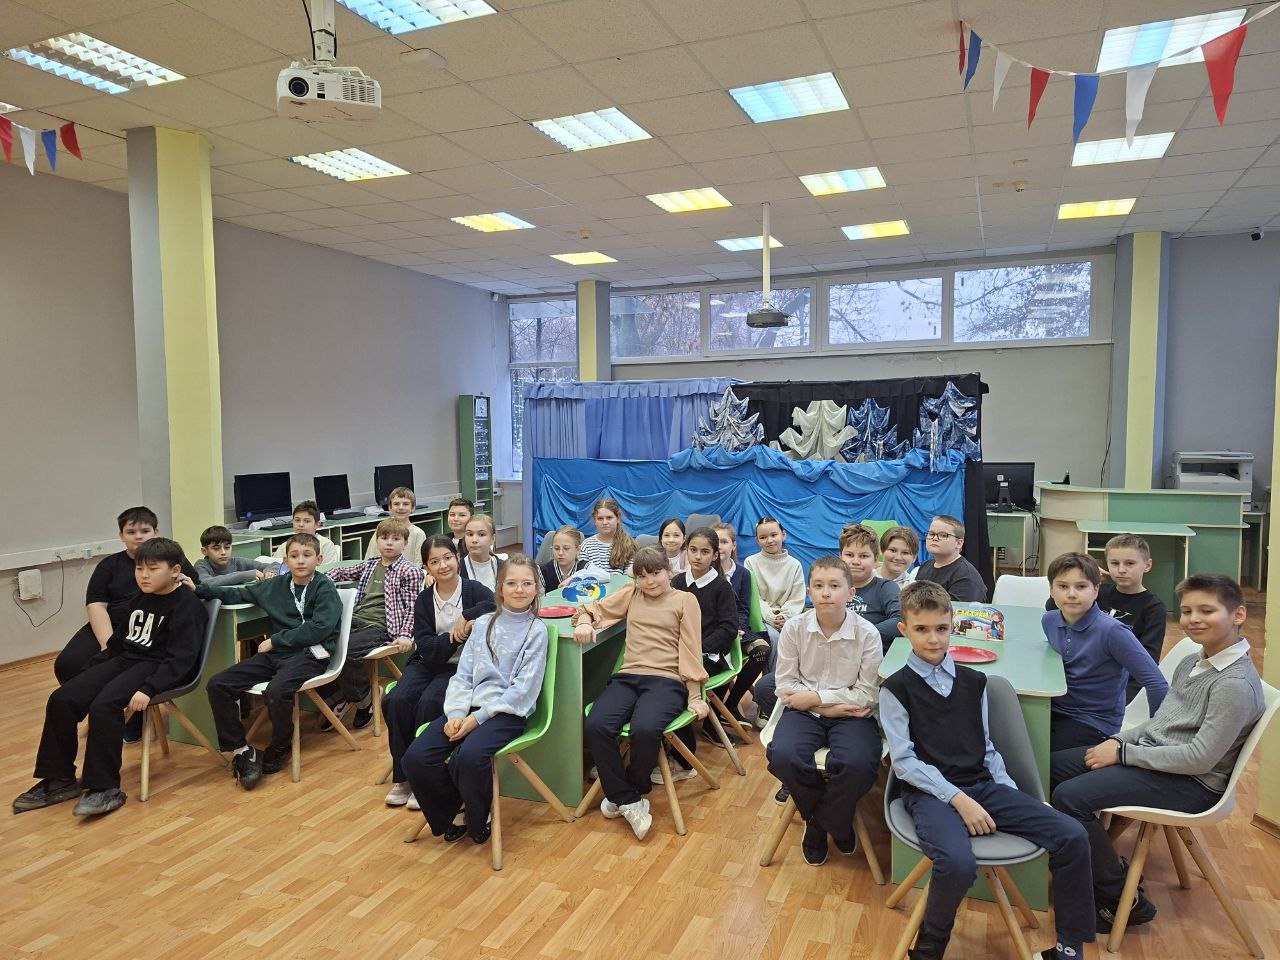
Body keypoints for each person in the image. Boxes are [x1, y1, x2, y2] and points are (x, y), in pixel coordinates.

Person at [880, 580, 1095, 960]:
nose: (933, 638)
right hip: (928, 795)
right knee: (957, 863)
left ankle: (1068, 949)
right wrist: (959, 799)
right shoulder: (895, 689)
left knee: (1072, 834)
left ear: (953, 625)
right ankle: (928, 951)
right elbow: (905, 763)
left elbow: (987, 748)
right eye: (921, 629)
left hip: (981, 785)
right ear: (904, 629)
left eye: (941, 628)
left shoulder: (974, 682)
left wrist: (1016, 796)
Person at [1052, 574, 1265, 935]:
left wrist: (1123, 754)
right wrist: (1118, 741)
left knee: (1069, 797)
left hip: (1193, 783)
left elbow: (1199, 759)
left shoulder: (1233, 684)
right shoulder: (1194, 661)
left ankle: (1119, 895)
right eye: (1187, 611)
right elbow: (1161, 722)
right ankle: (1083, 861)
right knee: (1051, 767)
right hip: (1157, 758)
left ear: (1239, 615)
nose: (1194, 619)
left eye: (1207, 611)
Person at [14, 539, 207, 817]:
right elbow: (119, 642)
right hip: (125, 659)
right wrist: (93, 670)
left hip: (155, 667)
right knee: (63, 698)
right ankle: (59, 779)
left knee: (104, 705)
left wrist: (149, 688)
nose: (144, 575)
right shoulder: (140, 598)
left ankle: (104, 787)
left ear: (176, 570)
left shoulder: (187, 605)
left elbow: (181, 660)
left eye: (153, 569)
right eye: (139, 568)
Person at [402, 555, 548, 845]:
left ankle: (479, 819)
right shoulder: (482, 624)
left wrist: (476, 720)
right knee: (416, 758)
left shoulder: (537, 631)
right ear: (500, 588)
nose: (519, 590)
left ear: (536, 589)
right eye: (512, 583)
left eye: (527, 583)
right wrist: (456, 713)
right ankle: (457, 809)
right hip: (468, 706)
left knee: (468, 757)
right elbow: (463, 675)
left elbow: (522, 691)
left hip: (507, 712)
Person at [574, 546, 708, 841]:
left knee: (646, 729)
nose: (649, 582)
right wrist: (584, 620)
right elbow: (594, 608)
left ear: (669, 571)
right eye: (642, 576)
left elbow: (691, 648)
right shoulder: (632, 593)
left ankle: (630, 790)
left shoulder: (685, 600)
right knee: (596, 725)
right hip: (628, 676)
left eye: (656, 573)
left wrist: (695, 695)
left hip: (666, 680)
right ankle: (629, 801)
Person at [198, 533, 342, 790]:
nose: (300, 561)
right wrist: (198, 589)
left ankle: (281, 745)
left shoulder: (324, 587)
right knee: (218, 684)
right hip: (277, 655)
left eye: (307, 555)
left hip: (310, 654)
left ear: (319, 559)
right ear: (285, 560)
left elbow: (320, 628)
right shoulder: (275, 585)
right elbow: (238, 595)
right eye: (294, 556)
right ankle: (241, 749)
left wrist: (276, 640)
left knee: (277, 690)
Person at [767, 556, 883, 866]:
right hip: (806, 712)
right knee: (784, 755)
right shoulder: (794, 628)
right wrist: (824, 706)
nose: (826, 592)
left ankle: (824, 821)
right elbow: (785, 686)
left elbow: (867, 694)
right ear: (809, 592)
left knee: (858, 763)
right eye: (818, 586)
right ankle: (831, 822)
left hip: (852, 714)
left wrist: (816, 697)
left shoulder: (868, 633)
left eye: (834, 585)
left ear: (851, 593)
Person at [383, 536, 494, 808]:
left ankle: (426, 777)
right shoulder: (424, 600)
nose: (443, 565)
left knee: (430, 701)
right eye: (434, 561)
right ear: (426, 567)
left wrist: (467, 615)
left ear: (457, 558)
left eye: (447, 558)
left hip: (459, 667)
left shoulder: (474, 589)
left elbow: (494, 605)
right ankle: (403, 777)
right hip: (427, 661)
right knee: (396, 699)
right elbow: (428, 648)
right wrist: (454, 637)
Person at [1043, 552, 1168, 784]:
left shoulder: (1113, 631)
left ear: (1096, 590)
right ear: (1051, 590)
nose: (1071, 594)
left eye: (1081, 586)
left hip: (1093, 723)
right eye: (1063, 586)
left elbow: (1156, 683)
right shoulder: (1049, 621)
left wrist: (1155, 739)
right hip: (1054, 710)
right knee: (1010, 749)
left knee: (1037, 765)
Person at [55, 506, 199, 686]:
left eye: (145, 531)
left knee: (128, 669)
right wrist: (108, 645)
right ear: (121, 536)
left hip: (151, 628)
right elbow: (96, 605)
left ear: (155, 532)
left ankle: (126, 700)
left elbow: (192, 588)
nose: (138, 537)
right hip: (114, 626)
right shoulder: (108, 565)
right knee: (68, 664)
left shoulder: (172, 561)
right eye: (131, 532)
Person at [321, 518, 424, 731]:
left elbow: (413, 607)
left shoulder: (409, 571)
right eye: (384, 538)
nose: (389, 543)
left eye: (396, 539)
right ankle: (341, 696)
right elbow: (340, 572)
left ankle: (364, 700)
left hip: (382, 626)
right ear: (377, 541)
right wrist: (322, 580)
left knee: (347, 650)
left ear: (405, 543)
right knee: (318, 644)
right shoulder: (370, 564)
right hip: (356, 619)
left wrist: (406, 634)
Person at [1048, 534, 1167, 703]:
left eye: (1129, 563)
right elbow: (1055, 610)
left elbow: (1149, 660)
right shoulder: (1098, 592)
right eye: (1114, 563)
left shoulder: (1154, 608)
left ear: (1147, 565)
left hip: (1118, 688)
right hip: (1084, 675)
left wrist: (1122, 699)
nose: (1121, 570)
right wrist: (1088, 580)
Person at [670, 527, 738, 763]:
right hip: (678, 654)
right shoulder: (677, 582)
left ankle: (683, 759)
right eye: (693, 550)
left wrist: (695, 650)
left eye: (705, 552)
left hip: (710, 656)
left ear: (715, 555)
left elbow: (728, 629)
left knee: (675, 687)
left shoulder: (722, 587)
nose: (698, 556)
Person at [743, 516, 806, 727]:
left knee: (793, 638)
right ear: (757, 540)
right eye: (763, 537)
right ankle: (767, 701)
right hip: (761, 619)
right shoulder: (751, 562)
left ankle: (786, 696)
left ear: (783, 535)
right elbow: (754, 597)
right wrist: (772, 617)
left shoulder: (794, 565)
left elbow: (797, 598)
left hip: (789, 618)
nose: (769, 540)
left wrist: (785, 616)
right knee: (774, 639)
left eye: (773, 535)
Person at [714, 522, 768, 722]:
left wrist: (738, 628)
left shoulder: (744, 574)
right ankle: (715, 713)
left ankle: (731, 704)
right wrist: (727, 630)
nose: (719, 546)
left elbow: (744, 608)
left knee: (762, 650)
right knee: (722, 654)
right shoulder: (707, 573)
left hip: (739, 628)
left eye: (724, 541)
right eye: (715, 542)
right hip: (716, 631)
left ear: (734, 545)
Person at [839, 523, 902, 651]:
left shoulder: (886, 588)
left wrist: (859, 635)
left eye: (863, 556)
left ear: (875, 560)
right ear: (840, 557)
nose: (855, 561)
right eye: (849, 555)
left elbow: (900, 620)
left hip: (873, 655)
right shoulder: (833, 588)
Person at [914, 516, 986, 603]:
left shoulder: (966, 576)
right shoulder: (925, 566)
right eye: (931, 534)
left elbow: (957, 610)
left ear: (959, 543)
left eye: (943, 535)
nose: (935, 538)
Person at [195, 525, 277, 586]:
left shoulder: (238, 562)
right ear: (204, 551)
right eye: (216, 548)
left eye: (227, 547)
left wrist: (270, 572)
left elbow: (276, 565)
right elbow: (205, 582)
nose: (223, 552)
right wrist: (243, 576)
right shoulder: (201, 565)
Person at [366, 487, 425, 565]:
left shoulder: (418, 533)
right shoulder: (381, 530)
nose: (401, 508)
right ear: (390, 507)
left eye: (406, 504)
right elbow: (369, 560)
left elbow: (419, 564)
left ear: (413, 508)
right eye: (396, 504)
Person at [579, 497, 638, 574]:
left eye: (609, 518)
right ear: (595, 521)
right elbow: (582, 574)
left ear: (618, 519)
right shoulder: (586, 545)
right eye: (600, 518)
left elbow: (630, 576)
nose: (605, 522)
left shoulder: (629, 544)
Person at [273, 500, 341, 565]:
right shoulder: (284, 546)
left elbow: (328, 570)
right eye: (297, 520)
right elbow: (275, 568)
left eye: (307, 521)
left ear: (317, 524)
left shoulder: (325, 545)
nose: (301, 524)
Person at [460, 513, 506, 591]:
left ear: (493, 538)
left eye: (481, 534)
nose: (474, 540)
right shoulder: (457, 569)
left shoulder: (505, 568)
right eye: (470, 534)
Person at [539, 525, 586, 591]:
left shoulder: (585, 567)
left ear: (578, 550)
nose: (560, 553)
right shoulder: (542, 571)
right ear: (552, 549)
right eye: (556, 548)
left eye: (566, 548)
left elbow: (601, 574)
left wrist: (573, 577)